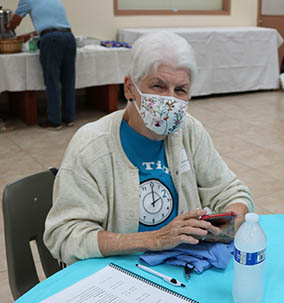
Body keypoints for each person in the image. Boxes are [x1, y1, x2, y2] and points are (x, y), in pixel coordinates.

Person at [44, 31, 254, 265]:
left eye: (180, 90)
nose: (170, 100)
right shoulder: (92, 145)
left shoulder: (189, 132)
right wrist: (153, 239)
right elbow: (65, 235)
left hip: (180, 268)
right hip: (117, 275)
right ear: (129, 88)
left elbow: (232, 192)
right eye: (158, 86)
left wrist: (232, 223)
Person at [7, 0, 76, 130]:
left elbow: (14, 23)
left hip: (51, 40)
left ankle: (54, 121)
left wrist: (7, 26)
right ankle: (69, 118)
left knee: (52, 80)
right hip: (69, 37)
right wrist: (32, 34)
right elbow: (52, 24)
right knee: (68, 79)